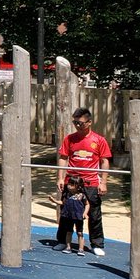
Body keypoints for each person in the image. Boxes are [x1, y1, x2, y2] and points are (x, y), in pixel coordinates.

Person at [56, 106, 111, 256]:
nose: (77, 126)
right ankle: (62, 241)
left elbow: (105, 161)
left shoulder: (99, 140)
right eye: (75, 123)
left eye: (80, 123)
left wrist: (103, 181)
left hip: (91, 182)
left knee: (93, 213)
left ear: (89, 123)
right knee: (66, 212)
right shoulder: (70, 139)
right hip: (72, 181)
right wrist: (61, 178)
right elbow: (63, 158)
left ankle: (96, 244)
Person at [56, 173, 90, 255]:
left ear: (78, 186)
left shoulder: (82, 195)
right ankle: (68, 247)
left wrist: (85, 213)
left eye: (71, 184)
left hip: (78, 216)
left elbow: (87, 204)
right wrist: (54, 201)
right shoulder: (67, 194)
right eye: (69, 184)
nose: (68, 186)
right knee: (69, 232)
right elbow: (62, 202)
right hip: (68, 216)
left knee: (80, 232)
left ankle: (81, 249)